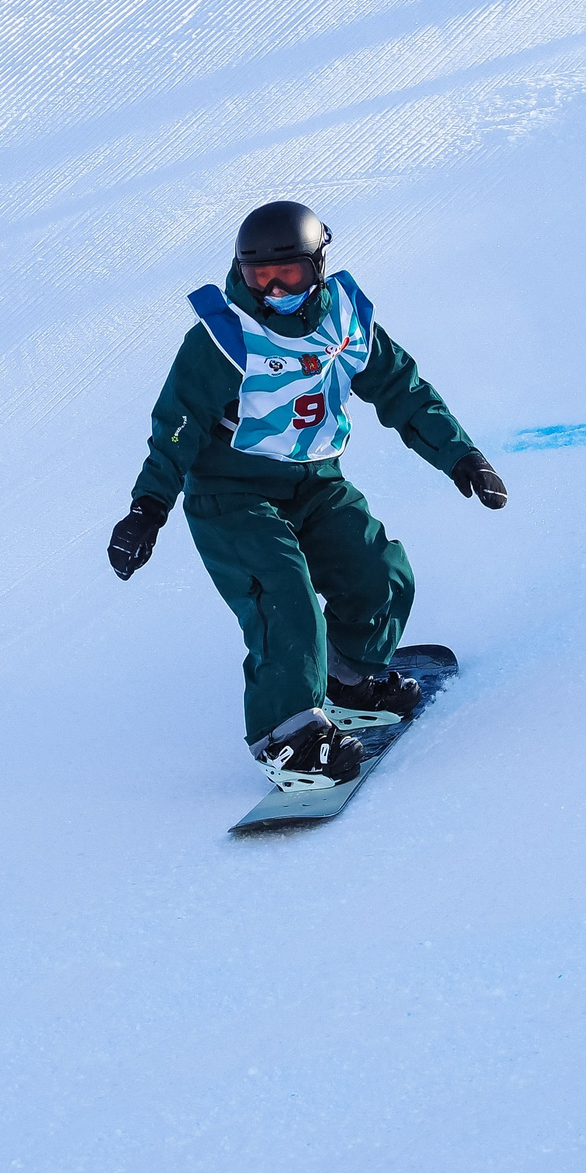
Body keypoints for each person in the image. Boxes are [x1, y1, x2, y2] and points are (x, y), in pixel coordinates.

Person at [106, 200, 509, 790]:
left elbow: (401, 388)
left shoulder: (345, 320)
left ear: (317, 265)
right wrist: (148, 509)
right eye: (257, 275)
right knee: (283, 596)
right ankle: (287, 736)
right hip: (232, 493)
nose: (272, 288)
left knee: (379, 574)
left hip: (317, 480)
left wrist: (461, 456)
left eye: (288, 274)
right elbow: (177, 425)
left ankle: (346, 679)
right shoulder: (224, 338)